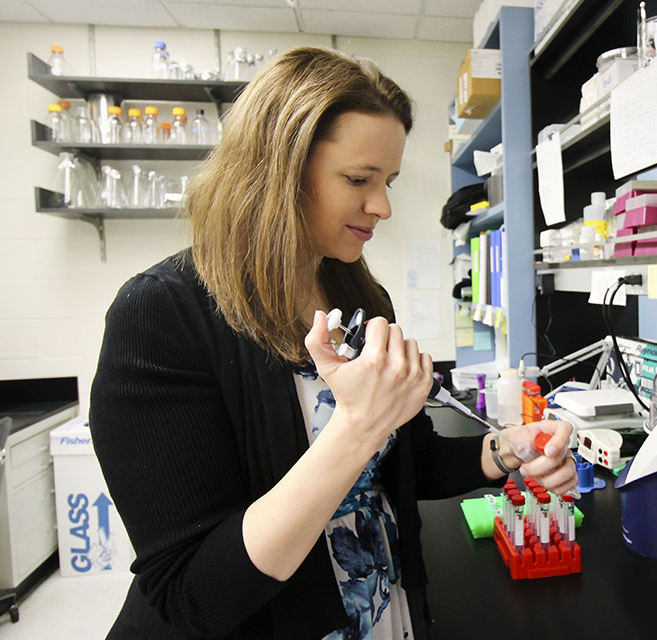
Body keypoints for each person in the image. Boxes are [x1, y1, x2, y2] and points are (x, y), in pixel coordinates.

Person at [89, 46, 577, 640]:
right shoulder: (161, 315)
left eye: (389, 180)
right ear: (277, 169)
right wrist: (358, 425)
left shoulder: (359, 296)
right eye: (358, 179)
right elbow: (195, 592)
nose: (384, 206)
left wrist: (506, 451)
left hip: (380, 607)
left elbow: (403, 465)